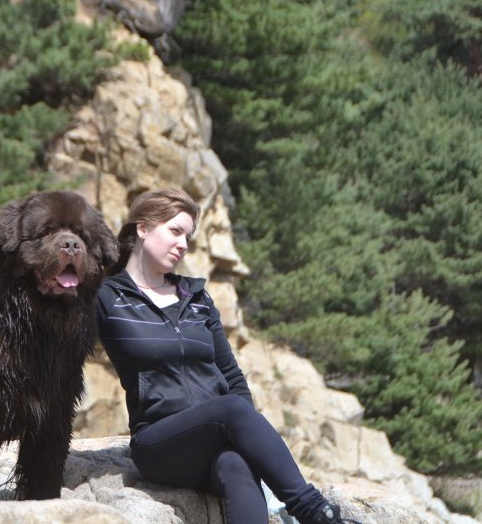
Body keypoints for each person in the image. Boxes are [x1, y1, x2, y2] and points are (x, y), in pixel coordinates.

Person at [96, 188, 361, 524]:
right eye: (175, 231)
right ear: (143, 229)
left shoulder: (195, 298)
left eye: (188, 237)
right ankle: (314, 512)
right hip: (160, 444)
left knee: (236, 465)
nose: (183, 245)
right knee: (232, 408)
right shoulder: (107, 298)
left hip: (214, 441)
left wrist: (246, 442)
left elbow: (232, 376)